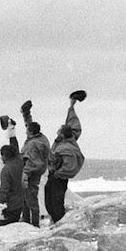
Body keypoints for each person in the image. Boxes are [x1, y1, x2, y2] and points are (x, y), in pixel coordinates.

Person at [5, 100, 51, 227]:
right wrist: (26, 115)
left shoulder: (33, 145)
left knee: (30, 200)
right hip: (35, 172)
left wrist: (24, 176)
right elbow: (30, 126)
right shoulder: (40, 138)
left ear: (31, 133)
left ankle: (33, 224)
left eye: (27, 131)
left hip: (31, 175)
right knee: (27, 198)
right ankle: (27, 221)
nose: (26, 132)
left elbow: (32, 163)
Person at [45, 91, 86, 222]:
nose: (57, 133)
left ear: (63, 135)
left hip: (58, 177)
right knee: (49, 199)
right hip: (54, 175)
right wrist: (71, 106)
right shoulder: (70, 136)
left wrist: (58, 174)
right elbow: (73, 122)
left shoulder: (67, 148)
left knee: (55, 202)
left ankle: (60, 223)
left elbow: (70, 165)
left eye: (59, 132)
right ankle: (57, 221)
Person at [0, 144, 23, 225]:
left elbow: (4, 190)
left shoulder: (6, 169)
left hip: (9, 206)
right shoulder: (20, 164)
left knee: (5, 230)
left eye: (2, 155)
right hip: (19, 203)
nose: (1, 158)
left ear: (5, 155)